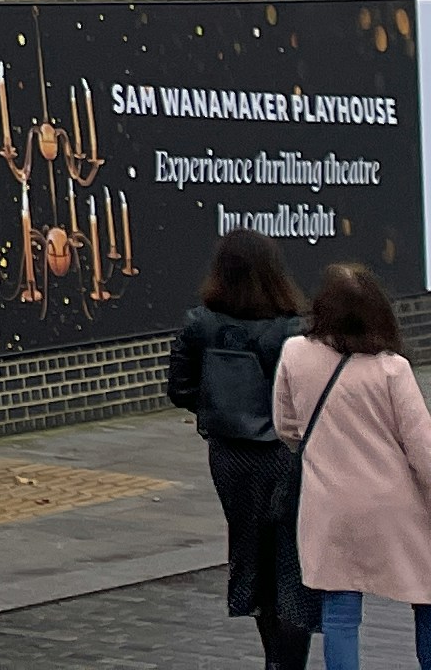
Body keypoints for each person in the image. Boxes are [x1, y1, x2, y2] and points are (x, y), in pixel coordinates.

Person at [277, 263, 431, 670]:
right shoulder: (390, 369)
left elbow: (286, 426)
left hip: (328, 505)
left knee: (340, 613)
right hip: (395, 507)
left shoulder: (295, 354)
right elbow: (423, 450)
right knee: (427, 595)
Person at [171, 229, 310, 670]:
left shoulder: (200, 324)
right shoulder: (295, 330)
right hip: (286, 453)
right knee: (290, 559)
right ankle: (289, 662)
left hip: (231, 455)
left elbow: (180, 389)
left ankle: (272, 654)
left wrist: (217, 405)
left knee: (250, 550)